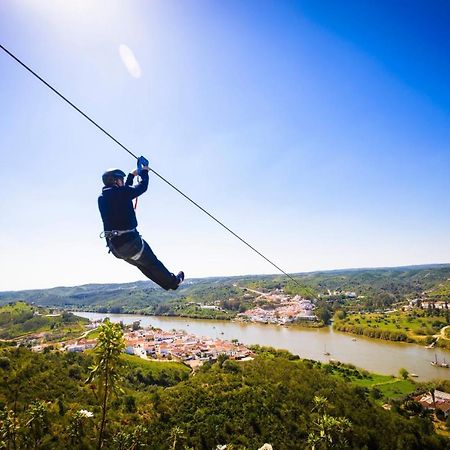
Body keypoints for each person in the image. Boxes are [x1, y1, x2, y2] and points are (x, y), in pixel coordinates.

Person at [98, 157, 184, 290]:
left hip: (116, 248)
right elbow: (142, 187)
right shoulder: (121, 193)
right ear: (115, 181)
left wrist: (131, 175)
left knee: (143, 265)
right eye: (120, 179)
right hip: (130, 243)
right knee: (153, 263)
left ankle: (169, 285)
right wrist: (144, 172)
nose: (122, 182)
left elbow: (124, 192)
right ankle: (174, 282)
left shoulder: (103, 198)